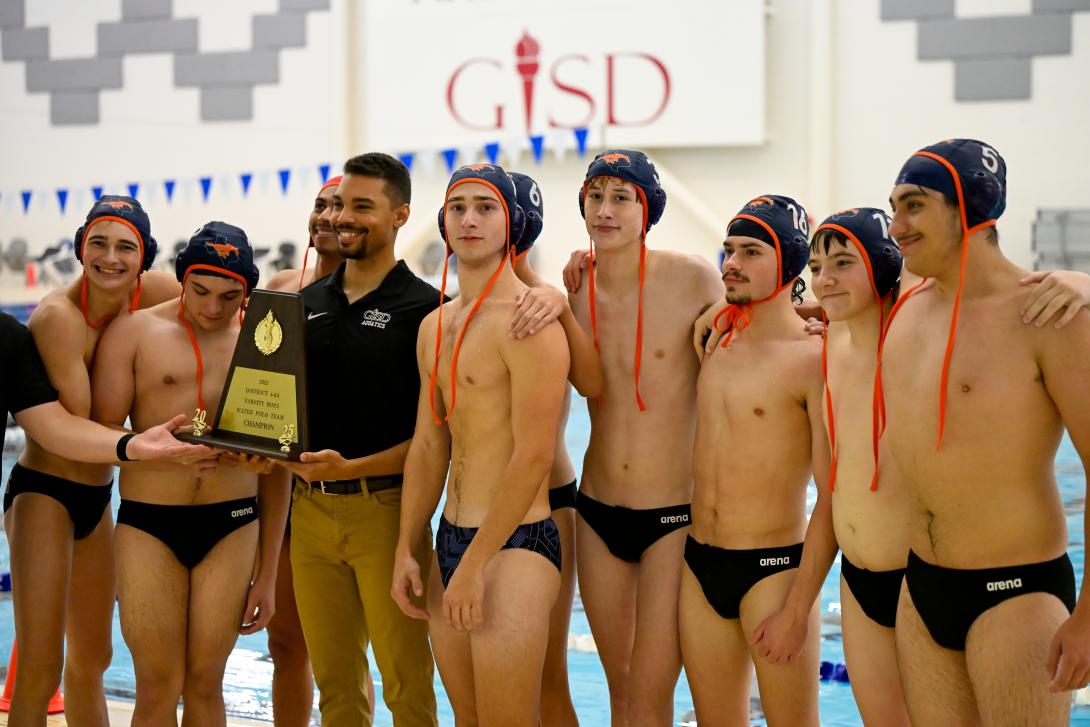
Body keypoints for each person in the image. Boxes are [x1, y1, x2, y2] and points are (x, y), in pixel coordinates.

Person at [880, 139, 1090, 725]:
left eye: (914, 205)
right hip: (921, 590)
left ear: (970, 208)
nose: (896, 226)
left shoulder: (1047, 316)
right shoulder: (907, 307)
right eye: (894, 207)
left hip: (1016, 594)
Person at [90, 222, 289, 727]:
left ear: (247, 291)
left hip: (234, 523)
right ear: (182, 279)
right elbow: (103, 437)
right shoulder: (134, 333)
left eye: (230, 295)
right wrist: (157, 453)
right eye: (200, 290)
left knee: (206, 683)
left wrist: (267, 576)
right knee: (156, 685)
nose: (213, 307)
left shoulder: (264, 344)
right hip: (148, 524)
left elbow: (278, 466)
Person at [391, 163, 569, 725]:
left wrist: (475, 564)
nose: (469, 219)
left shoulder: (530, 323)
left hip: (514, 545)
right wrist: (406, 546)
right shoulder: (435, 326)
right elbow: (427, 445)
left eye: (485, 207)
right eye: (457, 207)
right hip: (452, 539)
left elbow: (534, 454)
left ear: (511, 223)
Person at [3, 195, 189, 727]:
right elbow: (77, 426)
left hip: (96, 497)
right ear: (81, 247)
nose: (110, 258)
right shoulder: (57, 318)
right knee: (40, 668)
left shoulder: (155, 292)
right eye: (98, 244)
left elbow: (220, 315)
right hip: (45, 490)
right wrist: (154, 443)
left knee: (94, 660)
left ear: (144, 256)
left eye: (125, 247)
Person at [559, 150, 725, 724]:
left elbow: (764, 318)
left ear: (646, 209)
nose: (604, 210)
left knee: (653, 685)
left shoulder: (693, 276)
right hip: (598, 508)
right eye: (595, 196)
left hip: (672, 515)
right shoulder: (572, 288)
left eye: (621, 198)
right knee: (620, 683)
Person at [281, 153, 439, 727]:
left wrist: (353, 467)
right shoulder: (304, 304)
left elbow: (435, 437)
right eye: (341, 205)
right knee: (336, 688)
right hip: (310, 515)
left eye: (362, 207)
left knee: (405, 686)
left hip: (388, 512)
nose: (343, 218)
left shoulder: (426, 309)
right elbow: (277, 415)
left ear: (400, 216)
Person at [678, 195, 831, 726]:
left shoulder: (814, 360)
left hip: (774, 571)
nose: (731, 263)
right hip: (700, 565)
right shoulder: (716, 337)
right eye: (728, 250)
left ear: (790, 264)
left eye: (750, 251)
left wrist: (798, 609)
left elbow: (831, 501)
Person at [807, 207, 912, 725]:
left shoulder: (919, 336)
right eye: (815, 267)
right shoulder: (832, 344)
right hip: (856, 580)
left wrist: (1075, 282)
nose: (824, 281)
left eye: (843, 263)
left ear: (884, 264)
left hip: (922, 580)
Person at [506, 171, 601, 725]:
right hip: (471, 514)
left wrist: (564, 307)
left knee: (547, 678)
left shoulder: (547, 304)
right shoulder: (451, 308)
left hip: (548, 502)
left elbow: (593, 385)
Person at [263, 174, 351, 727]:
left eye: (338, 207)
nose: (325, 216)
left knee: (344, 654)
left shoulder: (379, 297)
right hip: (285, 494)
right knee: (286, 647)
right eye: (320, 205)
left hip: (348, 493)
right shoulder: (278, 288)